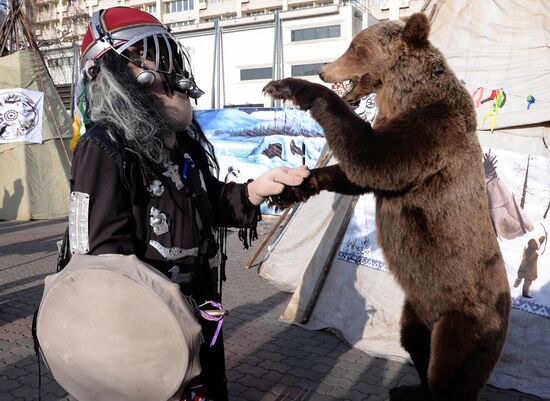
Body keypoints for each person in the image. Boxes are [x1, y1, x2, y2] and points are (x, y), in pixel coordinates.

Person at [69, 7, 309, 401]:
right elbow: (100, 263)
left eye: (168, 61)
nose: (172, 75)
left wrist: (254, 190)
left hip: (201, 313)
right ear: (117, 73)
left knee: (209, 388)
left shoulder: (179, 145)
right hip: (147, 334)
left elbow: (207, 200)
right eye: (151, 61)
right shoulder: (103, 146)